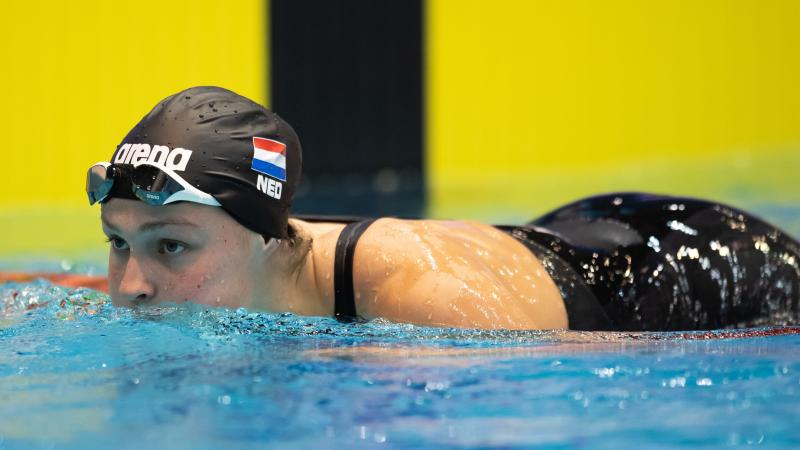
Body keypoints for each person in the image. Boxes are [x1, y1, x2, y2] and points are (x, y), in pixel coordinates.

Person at [77, 86, 799, 331]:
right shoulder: (243, 257)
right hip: (566, 233)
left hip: (687, 268)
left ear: (269, 239)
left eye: (170, 247)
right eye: (119, 243)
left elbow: (602, 377)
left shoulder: (422, 300)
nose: (131, 285)